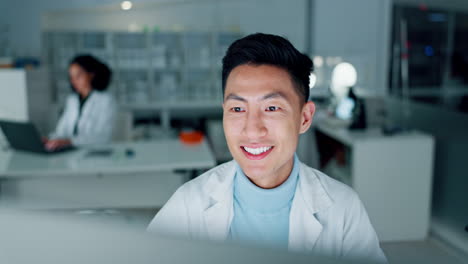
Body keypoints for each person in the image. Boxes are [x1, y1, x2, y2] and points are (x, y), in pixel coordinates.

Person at [147, 33, 387, 263]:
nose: (252, 130)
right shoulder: (189, 204)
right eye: (238, 109)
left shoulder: (343, 207)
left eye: (272, 108)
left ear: (304, 118)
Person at [45, 55, 117, 150]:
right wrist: (50, 140)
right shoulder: (72, 100)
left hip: (93, 153)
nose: (74, 81)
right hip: (69, 151)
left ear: (91, 74)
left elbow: (103, 136)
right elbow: (61, 131)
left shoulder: (106, 100)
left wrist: (69, 141)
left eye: (78, 76)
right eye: (71, 77)